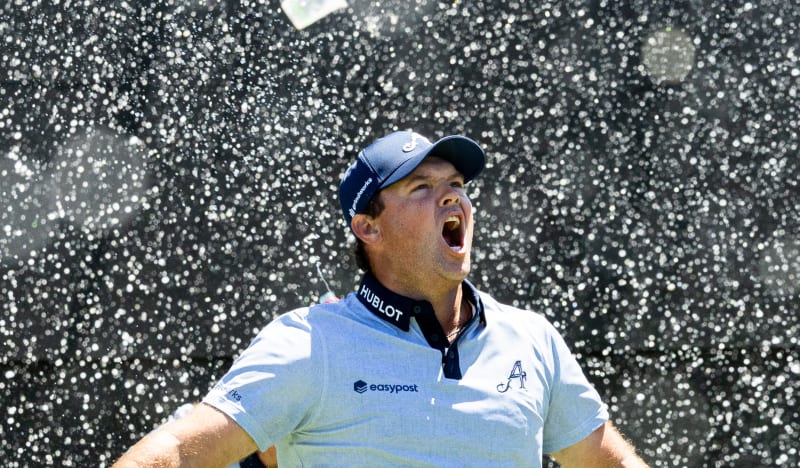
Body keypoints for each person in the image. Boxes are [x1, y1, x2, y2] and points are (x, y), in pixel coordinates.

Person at [114, 130, 648, 467]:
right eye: (420, 186)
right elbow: (179, 453)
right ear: (368, 228)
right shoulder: (310, 344)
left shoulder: (532, 338)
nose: (452, 194)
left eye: (457, 182)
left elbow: (605, 461)